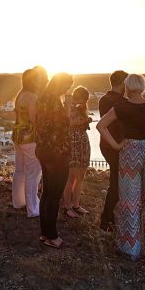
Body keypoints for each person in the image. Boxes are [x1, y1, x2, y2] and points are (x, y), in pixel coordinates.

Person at [97, 73, 145, 260]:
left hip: (130, 152)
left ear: (127, 87)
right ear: (144, 87)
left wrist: (116, 145)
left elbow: (101, 126)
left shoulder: (121, 107)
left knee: (129, 201)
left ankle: (131, 249)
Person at [35, 72, 73, 249]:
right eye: (66, 87)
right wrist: (68, 109)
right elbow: (63, 127)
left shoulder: (42, 98)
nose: (66, 90)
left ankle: (45, 233)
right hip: (57, 152)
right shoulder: (54, 102)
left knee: (47, 193)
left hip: (43, 149)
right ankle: (52, 236)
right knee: (54, 195)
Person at [98, 70, 128, 230]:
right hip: (113, 145)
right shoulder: (114, 100)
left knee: (117, 182)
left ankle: (109, 217)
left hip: (110, 144)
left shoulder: (106, 99)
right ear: (123, 83)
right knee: (116, 183)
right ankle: (106, 219)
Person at [11, 68, 43, 218]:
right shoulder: (32, 97)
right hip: (29, 137)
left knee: (20, 170)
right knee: (33, 172)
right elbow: (33, 119)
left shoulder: (20, 95)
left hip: (17, 135)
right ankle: (33, 208)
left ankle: (18, 201)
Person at [62, 86, 93, 218]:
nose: (85, 101)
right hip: (73, 144)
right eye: (83, 98)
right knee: (71, 177)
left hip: (83, 143)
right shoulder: (69, 106)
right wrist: (86, 119)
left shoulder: (82, 108)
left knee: (80, 177)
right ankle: (67, 206)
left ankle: (76, 205)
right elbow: (70, 122)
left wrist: (86, 119)